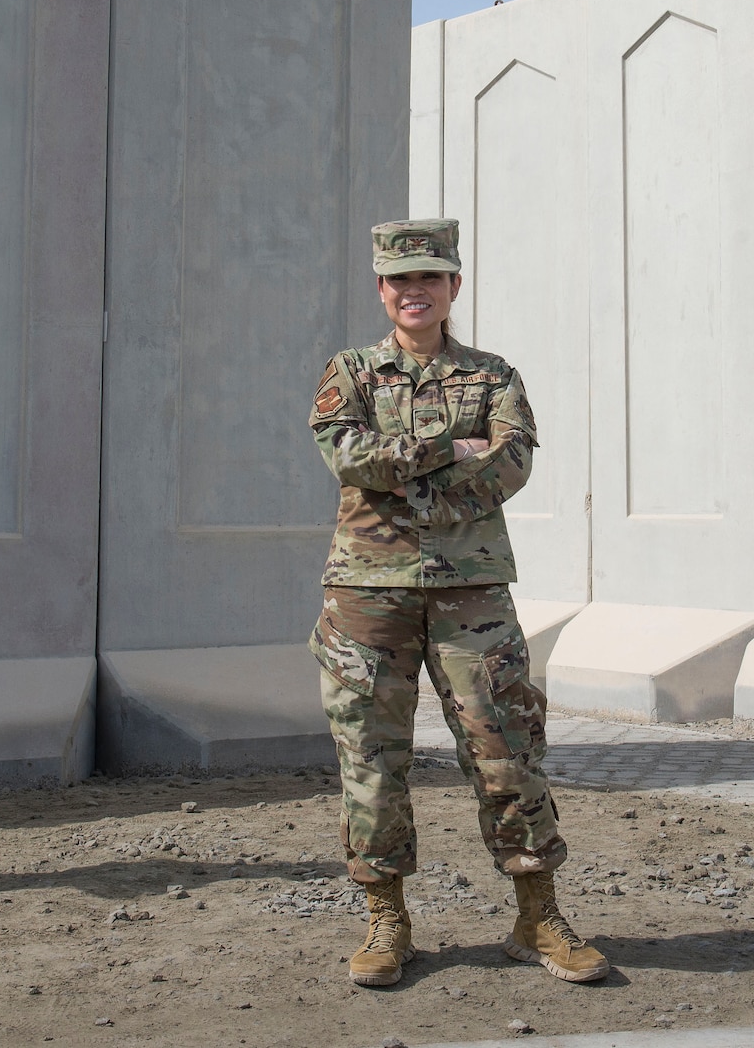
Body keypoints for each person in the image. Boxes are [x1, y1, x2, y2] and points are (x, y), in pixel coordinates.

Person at [306, 219, 608, 988]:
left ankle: (536, 913)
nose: (415, 291)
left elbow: (510, 466)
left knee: (507, 749)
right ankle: (387, 920)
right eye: (400, 279)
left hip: (470, 595)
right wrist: (448, 449)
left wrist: (403, 480)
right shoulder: (350, 372)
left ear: (454, 287)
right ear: (381, 289)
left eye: (430, 277)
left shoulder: (494, 375)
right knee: (371, 760)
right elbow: (345, 452)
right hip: (368, 595)